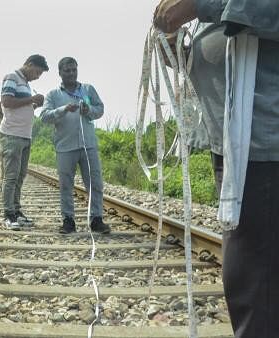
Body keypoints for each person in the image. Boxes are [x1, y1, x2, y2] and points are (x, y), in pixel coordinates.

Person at [154, 1, 279, 337]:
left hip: (266, 148)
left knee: (257, 286)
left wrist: (199, 4)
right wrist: (176, 48)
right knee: (252, 280)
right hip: (237, 145)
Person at [40, 57, 110, 235]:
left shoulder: (88, 89)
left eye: (74, 70)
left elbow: (100, 109)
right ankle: (68, 221)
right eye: (67, 70)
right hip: (65, 147)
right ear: (60, 73)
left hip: (88, 145)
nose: (71, 73)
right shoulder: (53, 95)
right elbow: (44, 116)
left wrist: (89, 111)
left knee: (95, 184)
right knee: (65, 185)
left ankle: (96, 219)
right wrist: (63, 109)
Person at [0, 54, 48, 230]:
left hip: (25, 135)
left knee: (20, 176)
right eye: (37, 72)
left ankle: (16, 211)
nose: (37, 76)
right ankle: (7, 214)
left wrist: (35, 105)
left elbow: (20, 106)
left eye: (40, 74)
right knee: (11, 176)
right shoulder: (12, 77)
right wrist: (32, 99)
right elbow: (7, 101)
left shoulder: (25, 84)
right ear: (29, 64)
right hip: (12, 135)